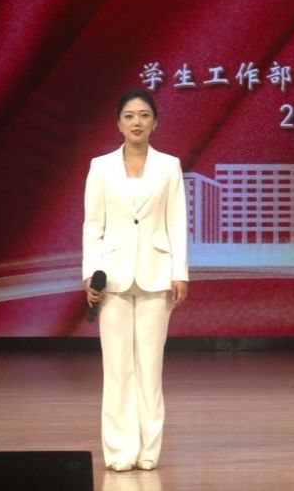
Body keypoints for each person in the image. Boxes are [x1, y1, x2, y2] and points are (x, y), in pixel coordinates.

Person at [82, 89, 190, 472]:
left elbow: (176, 220)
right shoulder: (100, 167)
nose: (137, 122)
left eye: (144, 115)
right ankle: (119, 450)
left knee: (149, 368)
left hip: (156, 273)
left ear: (155, 122)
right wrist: (90, 272)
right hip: (111, 275)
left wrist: (179, 272)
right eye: (129, 116)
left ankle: (148, 450)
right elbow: (93, 224)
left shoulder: (169, 166)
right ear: (118, 123)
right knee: (117, 369)